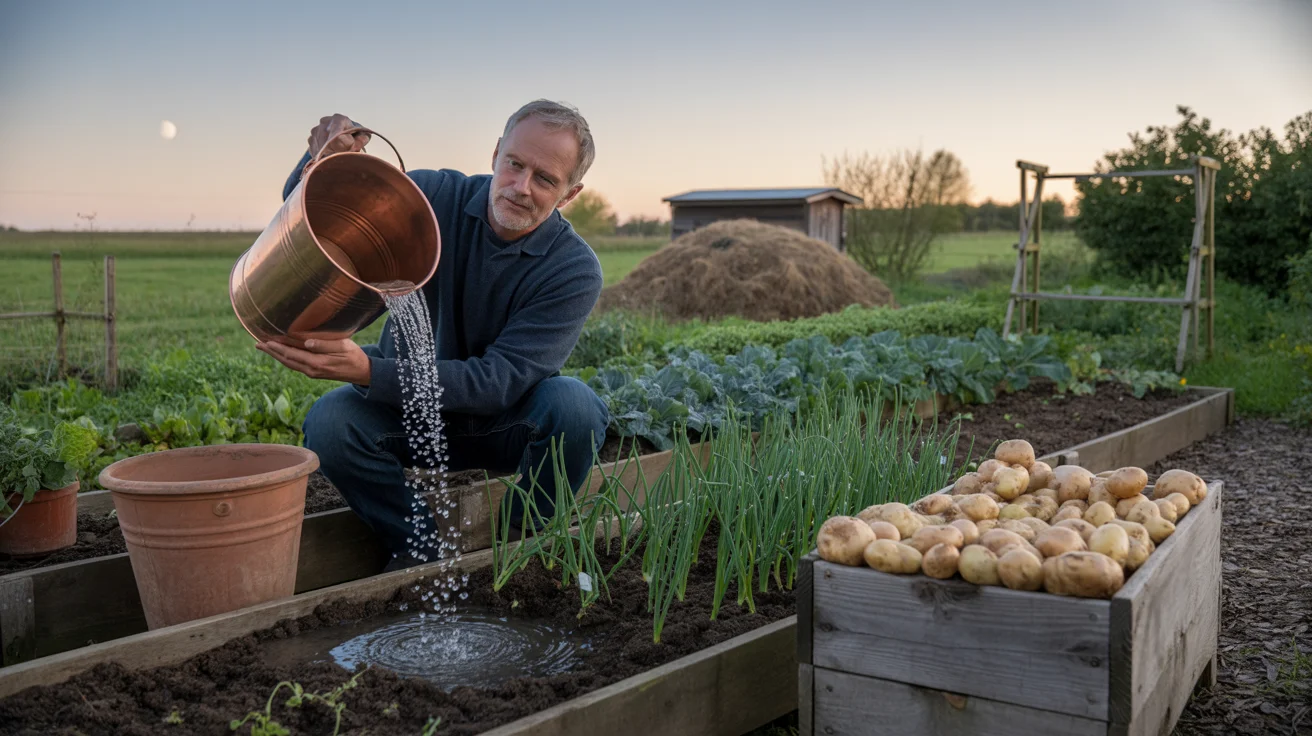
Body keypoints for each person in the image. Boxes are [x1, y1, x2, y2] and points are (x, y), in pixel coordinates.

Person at [256, 100, 610, 572]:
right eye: (515, 165)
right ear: (495, 154)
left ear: (569, 194)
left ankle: (521, 540)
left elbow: (497, 381)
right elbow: (315, 216)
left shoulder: (572, 268)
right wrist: (321, 160)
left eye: (545, 179)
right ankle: (417, 545)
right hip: (407, 413)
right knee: (330, 422)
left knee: (576, 408)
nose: (521, 188)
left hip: (504, 424)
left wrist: (367, 370)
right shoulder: (431, 197)